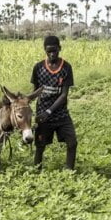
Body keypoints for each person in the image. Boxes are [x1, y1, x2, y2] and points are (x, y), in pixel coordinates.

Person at [31, 35, 77, 170]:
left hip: (61, 114)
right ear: (45, 50)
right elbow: (35, 92)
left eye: (54, 51)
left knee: (72, 143)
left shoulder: (66, 67)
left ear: (60, 49)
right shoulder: (38, 67)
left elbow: (63, 95)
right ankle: (36, 171)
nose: (52, 54)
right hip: (42, 116)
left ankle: (69, 171)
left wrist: (49, 111)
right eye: (49, 51)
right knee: (40, 146)